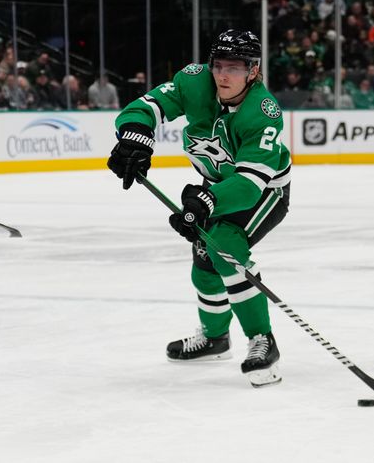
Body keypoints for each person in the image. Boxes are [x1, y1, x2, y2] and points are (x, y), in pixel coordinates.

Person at [107, 29, 292, 387]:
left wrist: (207, 199)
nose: (223, 74)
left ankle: (262, 339)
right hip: (218, 185)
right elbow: (147, 107)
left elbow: (248, 185)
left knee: (224, 246)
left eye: (234, 68)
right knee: (203, 260)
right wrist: (134, 137)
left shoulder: (263, 113)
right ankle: (215, 338)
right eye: (218, 65)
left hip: (263, 191)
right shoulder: (194, 81)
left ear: (253, 71)